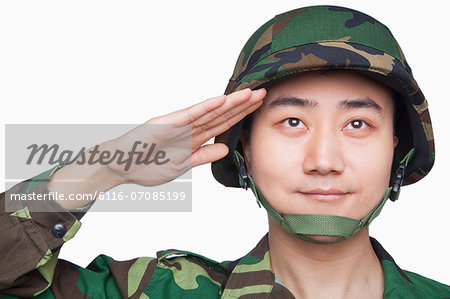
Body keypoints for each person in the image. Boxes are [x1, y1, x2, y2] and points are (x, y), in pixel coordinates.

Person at [1, 4, 449, 298]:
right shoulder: (157, 291)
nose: (324, 161)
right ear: (245, 148)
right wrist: (105, 169)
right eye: (292, 122)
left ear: (397, 148)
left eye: (357, 124)